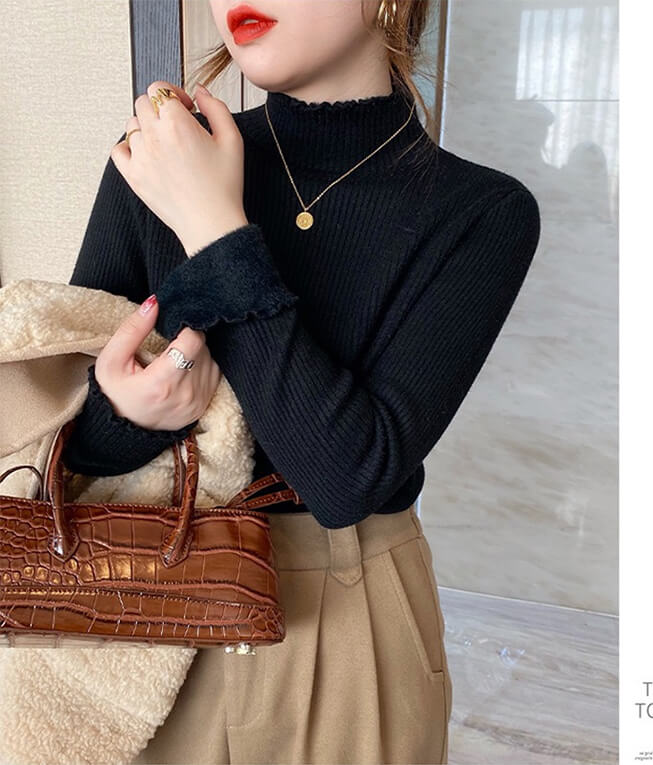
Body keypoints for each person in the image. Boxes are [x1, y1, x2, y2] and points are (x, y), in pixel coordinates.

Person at [61, 0, 541, 762]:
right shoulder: (153, 163)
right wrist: (127, 416)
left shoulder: (481, 212)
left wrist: (214, 229)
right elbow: (62, 440)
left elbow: (344, 478)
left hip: (351, 619)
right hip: (148, 606)